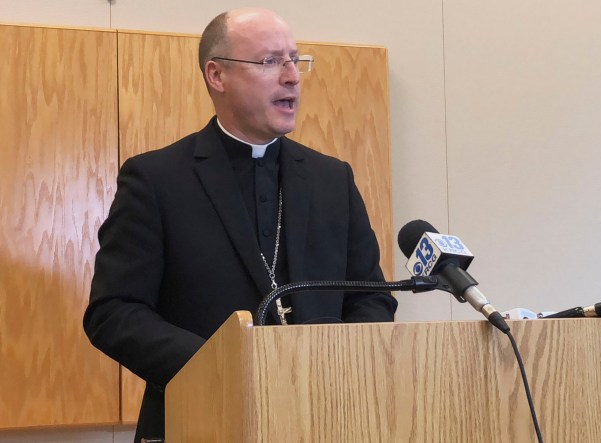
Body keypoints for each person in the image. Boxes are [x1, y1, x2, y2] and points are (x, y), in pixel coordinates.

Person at [83, 8, 397, 442]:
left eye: (295, 60)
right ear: (217, 75)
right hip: (199, 419)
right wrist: (220, 366)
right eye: (270, 61)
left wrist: (335, 366)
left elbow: (372, 297)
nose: (292, 76)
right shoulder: (157, 179)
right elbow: (113, 313)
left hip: (324, 420)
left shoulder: (332, 178)